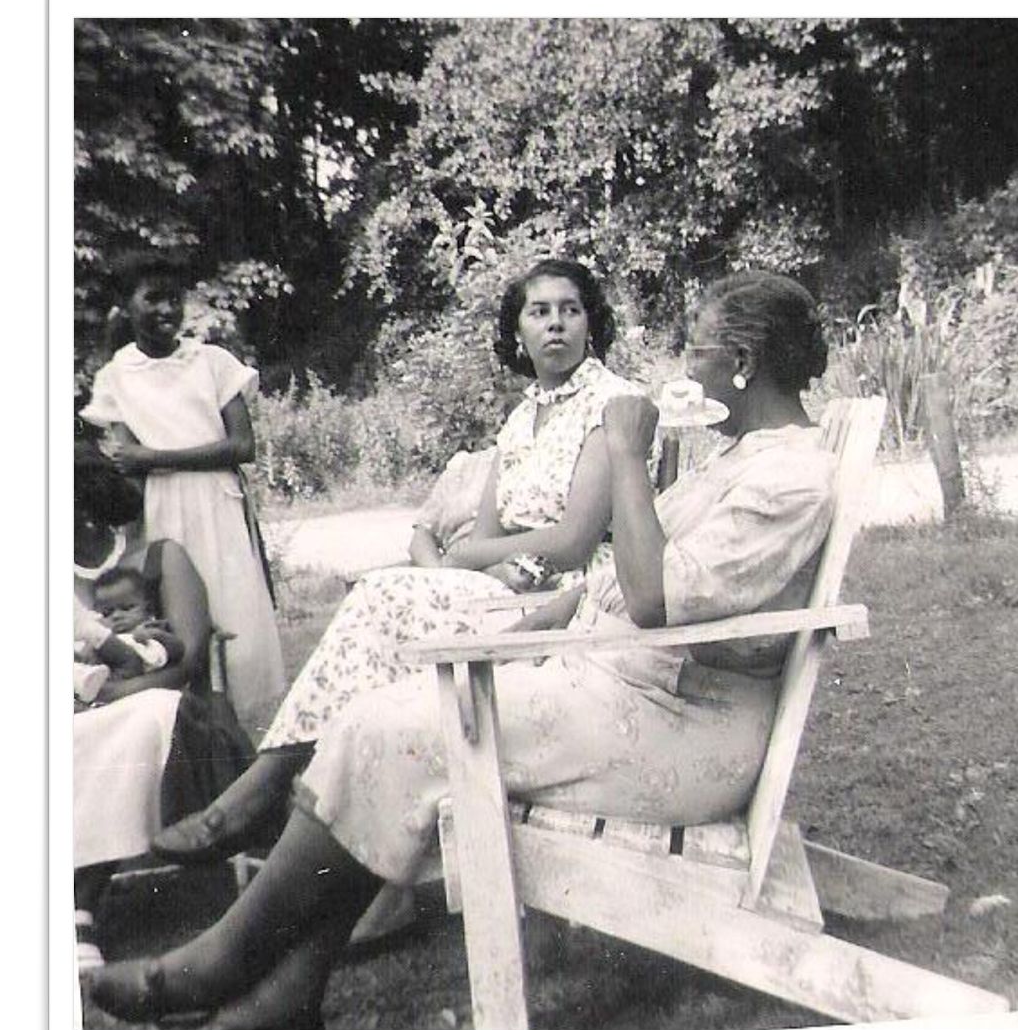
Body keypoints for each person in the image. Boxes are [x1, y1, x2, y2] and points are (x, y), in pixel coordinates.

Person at [84, 269, 837, 1028]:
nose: (687, 365)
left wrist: (629, 456)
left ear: (742, 358)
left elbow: (652, 597)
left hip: (676, 727)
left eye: (699, 348)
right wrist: (529, 626)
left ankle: (222, 962)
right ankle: (286, 989)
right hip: (615, 684)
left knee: (396, 734)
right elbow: (617, 579)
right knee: (378, 716)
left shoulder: (790, 479)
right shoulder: (741, 456)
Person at [149, 258, 649, 872]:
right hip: (505, 589)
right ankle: (326, 832)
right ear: (516, 330)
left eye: (570, 310)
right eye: (538, 311)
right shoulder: (523, 417)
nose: (555, 325)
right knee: (382, 615)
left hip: (571, 601)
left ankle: (266, 793)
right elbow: (491, 530)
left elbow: (573, 540)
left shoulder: (611, 402)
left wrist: (467, 558)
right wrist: (476, 560)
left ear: (590, 322)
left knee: (383, 603)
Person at [80, 251, 285, 724]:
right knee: (177, 626)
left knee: (238, 621)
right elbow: (127, 464)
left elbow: (242, 444)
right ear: (126, 306)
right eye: (153, 299)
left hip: (217, 503)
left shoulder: (211, 362)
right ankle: (192, 732)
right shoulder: (116, 376)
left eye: (174, 299)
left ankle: (247, 729)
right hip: (162, 511)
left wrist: (158, 458)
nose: (166, 311)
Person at [72, 454, 220, 968]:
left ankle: (80, 909)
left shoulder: (160, 556)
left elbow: (192, 656)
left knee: (140, 716)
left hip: (162, 705)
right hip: (77, 707)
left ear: (85, 510)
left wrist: (115, 694)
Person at [74, 567, 185, 704]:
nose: (117, 616)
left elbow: (178, 650)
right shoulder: (105, 639)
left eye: (127, 608)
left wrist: (153, 635)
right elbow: (89, 658)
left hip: (146, 687)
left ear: (148, 608)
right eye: (108, 612)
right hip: (109, 690)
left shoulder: (150, 627)